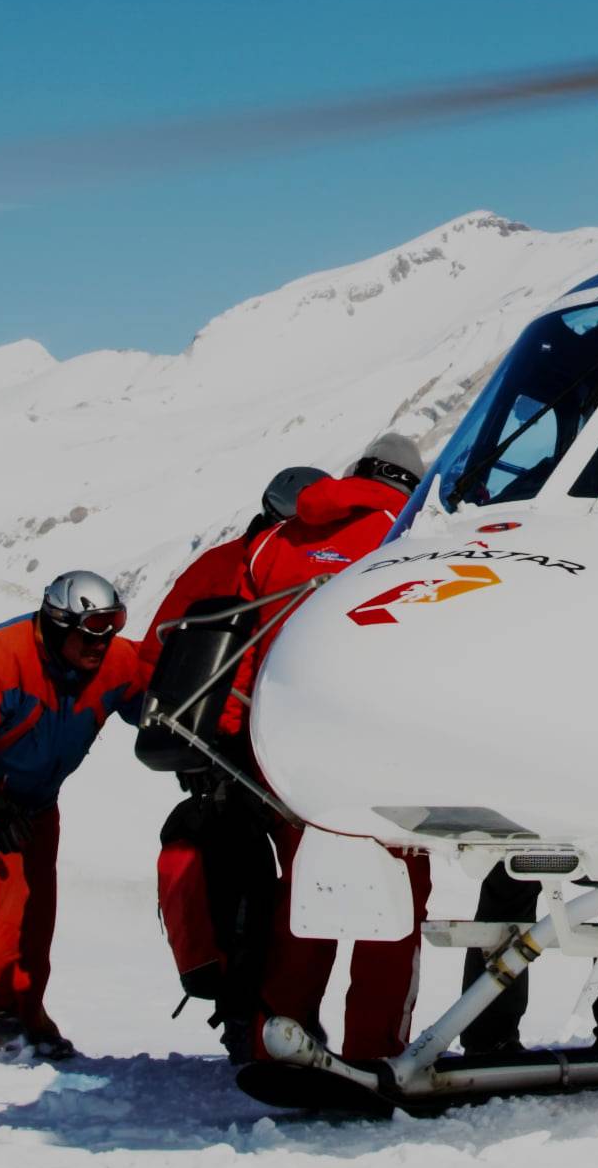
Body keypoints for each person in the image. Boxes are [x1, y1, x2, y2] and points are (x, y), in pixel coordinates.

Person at [139, 432, 429, 1066]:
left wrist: (245, 741)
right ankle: (377, 1055)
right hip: (385, 755)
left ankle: (280, 1042)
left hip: (294, 757)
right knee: (396, 907)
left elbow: (235, 653)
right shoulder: (414, 536)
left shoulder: (274, 540)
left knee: (308, 898)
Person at [0, 569, 147, 1060]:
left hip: (38, 797)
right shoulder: (2, 655)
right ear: (58, 624)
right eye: (93, 629)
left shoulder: (116, 659)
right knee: (4, 886)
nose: (103, 641)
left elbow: (155, 705)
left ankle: (29, 1010)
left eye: (113, 625)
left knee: (39, 900)